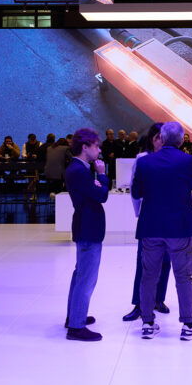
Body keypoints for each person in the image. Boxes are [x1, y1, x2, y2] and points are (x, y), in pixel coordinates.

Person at [131, 121, 192, 340]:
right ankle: (188, 325)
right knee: (183, 276)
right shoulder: (187, 161)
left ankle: (147, 323)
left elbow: (136, 193)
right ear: (182, 140)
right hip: (179, 228)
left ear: (162, 138)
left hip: (151, 227)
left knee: (148, 276)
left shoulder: (144, 162)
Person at [122, 123, 172, 322]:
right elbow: (134, 190)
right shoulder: (142, 159)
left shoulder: (173, 158)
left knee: (166, 261)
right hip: (149, 216)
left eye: (164, 137)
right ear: (152, 138)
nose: (161, 141)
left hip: (169, 217)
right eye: (158, 137)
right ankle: (139, 304)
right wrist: (139, 212)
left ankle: (159, 299)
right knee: (143, 261)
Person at [63, 128, 108, 341]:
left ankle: (74, 316)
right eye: (96, 146)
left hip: (86, 226)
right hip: (88, 228)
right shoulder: (80, 171)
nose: (99, 150)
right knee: (86, 278)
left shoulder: (77, 169)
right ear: (85, 147)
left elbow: (95, 192)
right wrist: (102, 175)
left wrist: (96, 183)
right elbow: (102, 195)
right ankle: (76, 326)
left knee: (80, 274)